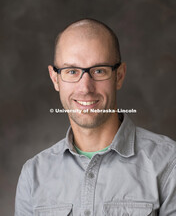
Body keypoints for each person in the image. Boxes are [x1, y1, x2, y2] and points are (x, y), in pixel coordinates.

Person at [15, 18, 176, 216]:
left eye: (99, 71)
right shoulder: (33, 174)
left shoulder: (169, 163)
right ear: (55, 78)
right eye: (71, 71)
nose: (85, 88)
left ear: (119, 76)